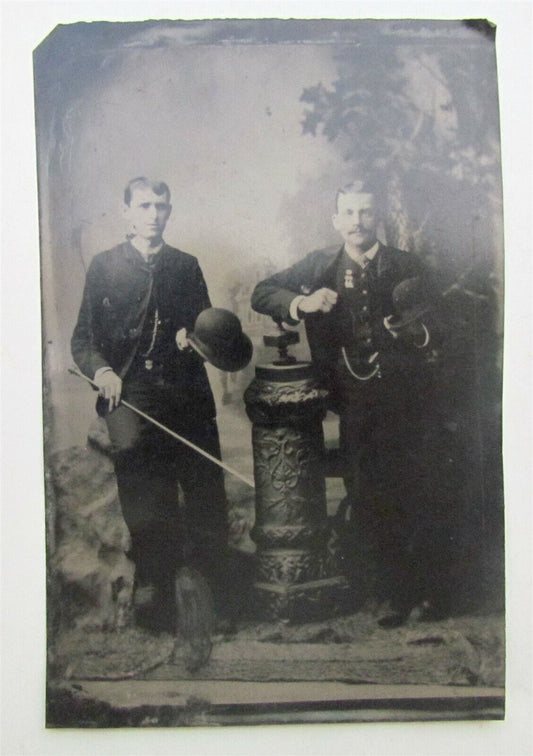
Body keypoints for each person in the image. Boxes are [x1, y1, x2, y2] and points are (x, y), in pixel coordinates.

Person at [251, 180, 444, 627]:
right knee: (366, 492)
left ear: (378, 218)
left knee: (413, 487)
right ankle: (384, 594)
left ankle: (425, 591)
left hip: (406, 397)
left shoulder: (404, 265)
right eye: (349, 213)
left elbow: (439, 323)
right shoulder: (320, 265)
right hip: (351, 399)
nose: (358, 221)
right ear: (337, 221)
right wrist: (303, 301)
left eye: (366, 212)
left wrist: (412, 333)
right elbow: (265, 292)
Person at [71, 177, 232, 633]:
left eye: (161, 206)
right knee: (145, 484)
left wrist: (189, 340)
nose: (153, 214)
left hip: (185, 390)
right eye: (143, 206)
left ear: (169, 212)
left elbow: (204, 329)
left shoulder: (186, 265)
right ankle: (155, 593)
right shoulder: (104, 267)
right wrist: (102, 373)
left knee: (205, 487)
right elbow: (83, 340)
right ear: (126, 212)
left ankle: (212, 599)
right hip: (129, 391)